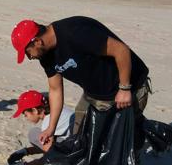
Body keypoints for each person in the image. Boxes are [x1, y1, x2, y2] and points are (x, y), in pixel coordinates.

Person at [10, 17, 150, 148]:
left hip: (129, 86)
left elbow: (121, 50)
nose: (29, 57)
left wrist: (124, 88)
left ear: (37, 42)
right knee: (81, 136)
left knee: (121, 141)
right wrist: (51, 128)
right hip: (95, 93)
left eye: (27, 52)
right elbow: (55, 89)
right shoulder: (45, 55)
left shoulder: (75, 33)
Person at [7, 90, 75, 165]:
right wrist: (27, 151)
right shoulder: (58, 109)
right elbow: (54, 143)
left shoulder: (48, 123)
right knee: (38, 135)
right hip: (80, 143)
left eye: (26, 114)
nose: (26, 118)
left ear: (35, 110)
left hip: (75, 155)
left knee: (33, 134)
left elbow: (49, 161)